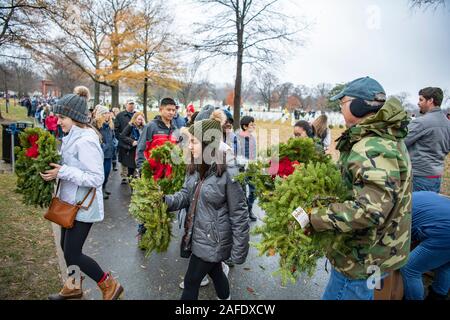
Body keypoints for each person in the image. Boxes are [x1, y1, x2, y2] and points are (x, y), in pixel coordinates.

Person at [294, 76, 412, 300]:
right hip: (372, 253)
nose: (340, 106)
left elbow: (369, 210)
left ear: (359, 105)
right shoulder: (383, 137)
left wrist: (315, 217)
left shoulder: (372, 146)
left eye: (344, 102)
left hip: (360, 258)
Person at [41, 86, 123, 300]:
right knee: (65, 246)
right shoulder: (71, 135)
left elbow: (96, 178)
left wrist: (64, 171)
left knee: (73, 253)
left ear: (75, 117)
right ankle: (73, 287)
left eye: (61, 117)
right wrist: (56, 171)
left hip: (83, 206)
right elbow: (71, 169)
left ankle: (108, 284)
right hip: (69, 203)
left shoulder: (86, 140)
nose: (58, 122)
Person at [164, 110, 250, 300]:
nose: (189, 145)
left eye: (194, 142)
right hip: (198, 233)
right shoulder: (195, 164)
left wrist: (238, 250)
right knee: (216, 272)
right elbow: (186, 195)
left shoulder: (228, 169)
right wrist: (165, 201)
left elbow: (239, 212)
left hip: (214, 240)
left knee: (191, 282)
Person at [135, 98, 178, 242]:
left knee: (163, 205)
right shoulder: (151, 127)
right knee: (148, 204)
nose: (171, 112)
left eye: (173, 110)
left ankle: (160, 234)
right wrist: (143, 170)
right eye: (168, 109)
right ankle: (143, 232)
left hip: (168, 177)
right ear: (161, 110)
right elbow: (141, 150)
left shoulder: (175, 128)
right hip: (152, 175)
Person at [401, 191, 450, 300]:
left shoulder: (400, 207)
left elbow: (401, 237)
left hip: (444, 232)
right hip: (444, 227)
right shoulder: (421, 194)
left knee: (409, 268)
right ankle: (438, 296)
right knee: (445, 265)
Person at [405, 87, 450, 193]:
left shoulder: (421, 122)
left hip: (418, 177)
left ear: (430, 101)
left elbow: (401, 142)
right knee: (428, 206)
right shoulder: (448, 124)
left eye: (421, 100)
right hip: (436, 176)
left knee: (414, 208)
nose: (418, 103)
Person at [237, 116, 258, 222]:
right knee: (242, 191)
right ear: (245, 126)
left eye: (254, 124)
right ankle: (244, 211)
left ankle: (249, 208)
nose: (254, 126)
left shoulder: (252, 138)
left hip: (251, 168)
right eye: (251, 124)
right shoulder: (237, 138)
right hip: (241, 169)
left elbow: (254, 153)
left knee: (254, 190)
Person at [94, 106, 116, 200]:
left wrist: (115, 143)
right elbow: (95, 140)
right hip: (100, 154)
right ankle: (100, 190)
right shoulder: (96, 125)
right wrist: (105, 146)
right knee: (101, 173)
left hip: (109, 154)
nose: (108, 114)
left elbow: (113, 136)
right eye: (105, 113)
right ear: (100, 114)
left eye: (108, 113)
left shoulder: (110, 124)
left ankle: (104, 187)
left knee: (107, 172)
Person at [119, 112, 146, 181]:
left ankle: (140, 187)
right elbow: (122, 136)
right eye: (139, 119)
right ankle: (132, 189)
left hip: (141, 151)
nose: (140, 121)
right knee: (131, 171)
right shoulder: (131, 126)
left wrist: (144, 125)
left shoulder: (144, 127)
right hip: (132, 151)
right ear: (135, 119)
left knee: (141, 171)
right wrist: (132, 141)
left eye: (141, 119)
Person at [114, 99, 136, 184]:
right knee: (123, 159)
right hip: (123, 141)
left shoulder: (136, 114)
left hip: (134, 141)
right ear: (126, 105)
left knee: (133, 159)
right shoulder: (120, 115)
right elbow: (116, 129)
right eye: (130, 104)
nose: (131, 106)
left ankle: (133, 174)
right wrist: (120, 138)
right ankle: (124, 176)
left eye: (133, 104)